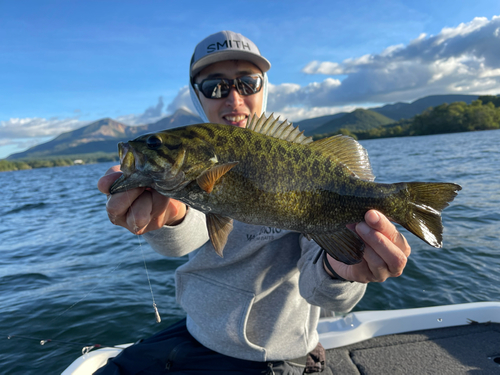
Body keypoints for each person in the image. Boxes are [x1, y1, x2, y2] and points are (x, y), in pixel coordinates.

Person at [96, 30, 411, 374]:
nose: (233, 99)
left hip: (275, 354)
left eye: (248, 83)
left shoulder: (297, 159)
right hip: (196, 334)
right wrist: (170, 216)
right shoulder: (201, 160)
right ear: (196, 95)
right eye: (215, 86)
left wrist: (342, 273)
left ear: (264, 87)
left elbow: (319, 284)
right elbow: (191, 228)